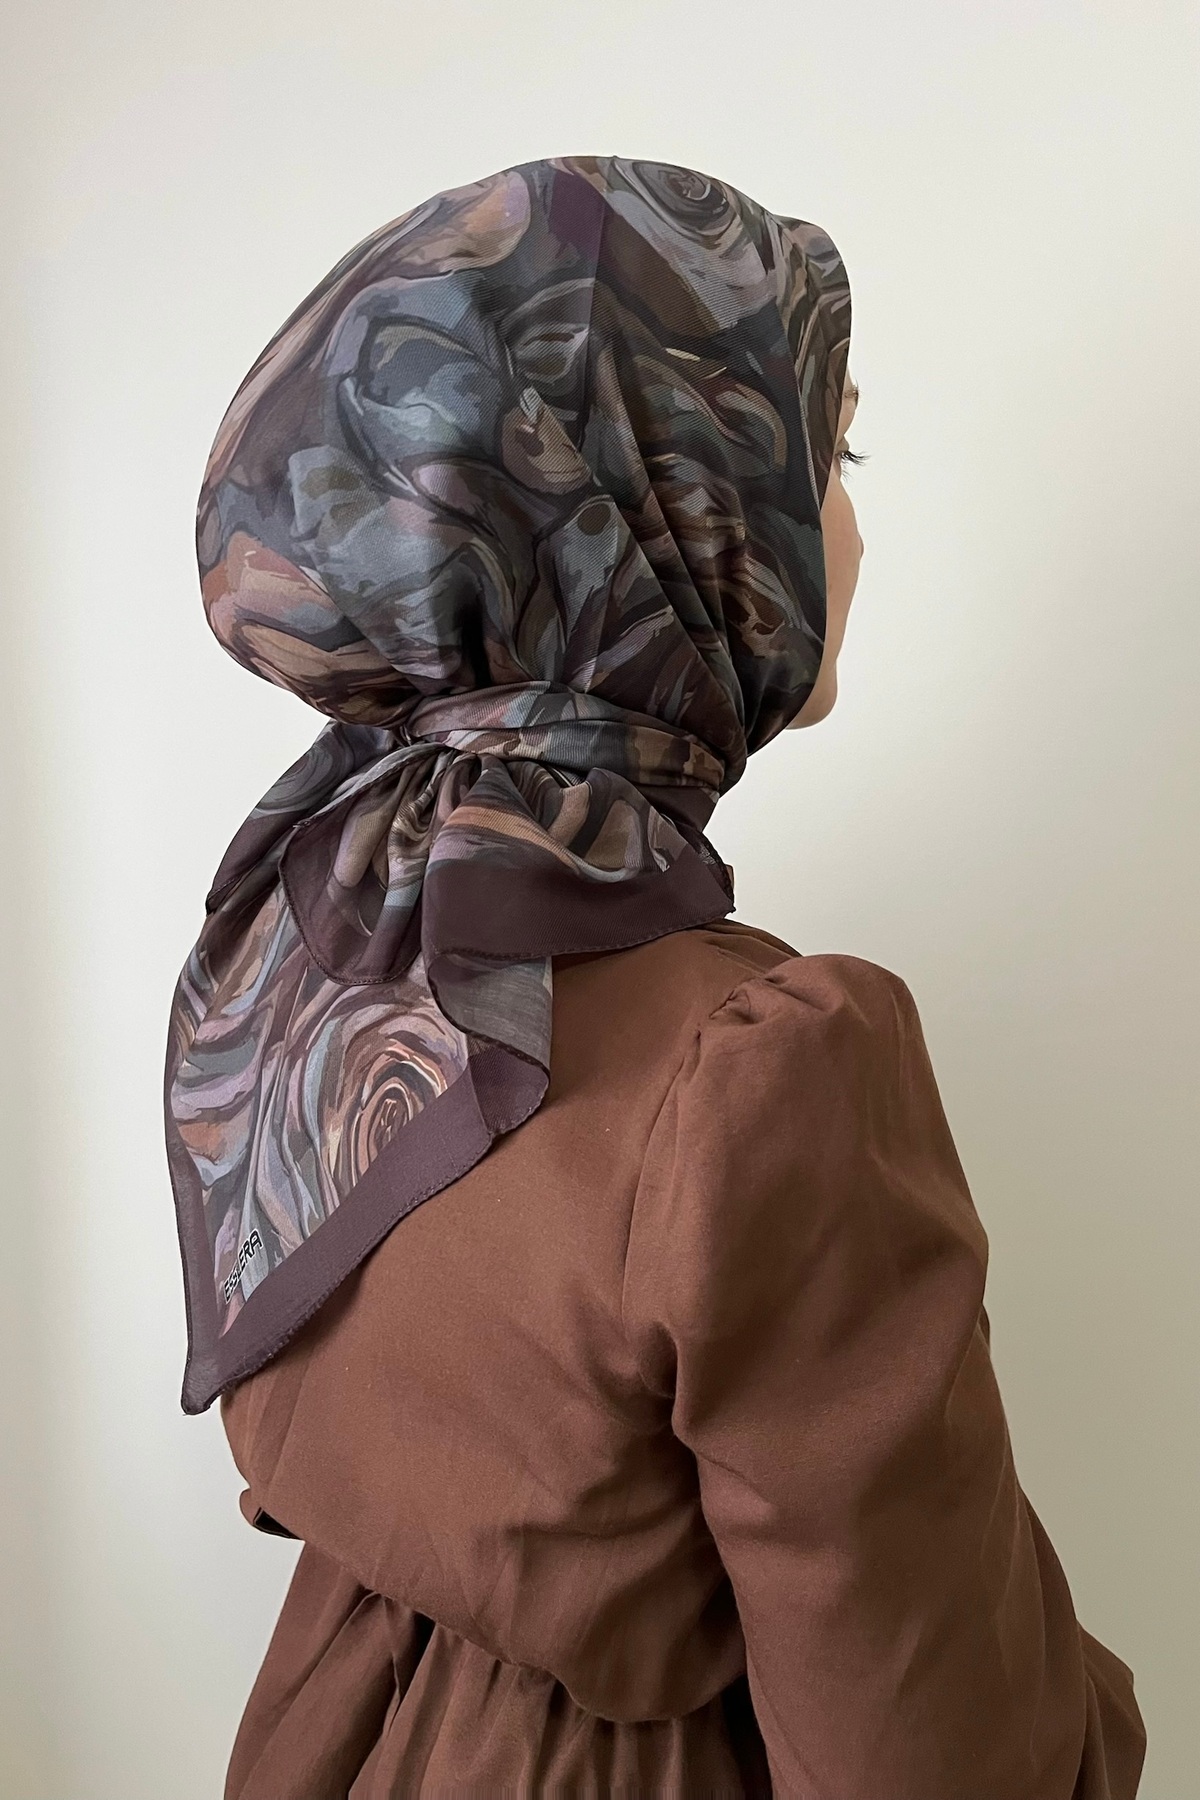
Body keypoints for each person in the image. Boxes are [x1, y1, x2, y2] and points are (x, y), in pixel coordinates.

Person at [164, 157, 1146, 1797]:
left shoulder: (302, 943)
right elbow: (939, 1756)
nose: (848, 524)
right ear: (665, 502)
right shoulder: (765, 1068)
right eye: (830, 458)